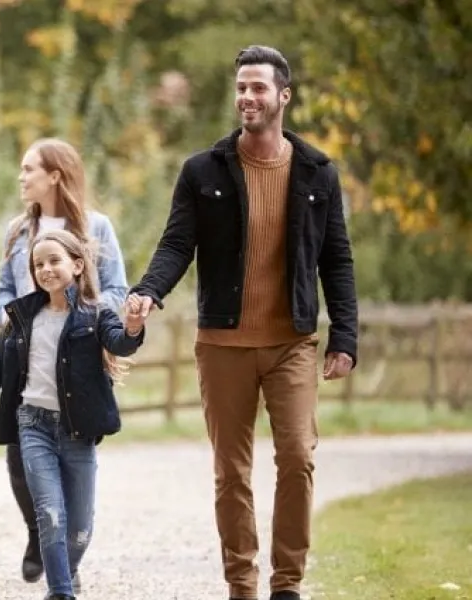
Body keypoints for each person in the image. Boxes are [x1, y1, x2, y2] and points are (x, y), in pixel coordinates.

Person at [127, 45, 358, 600]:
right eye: (241, 88)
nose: (248, 97)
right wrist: (148, 291)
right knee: (231, 472)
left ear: (283, 95)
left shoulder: (317, 172)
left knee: (298, 457)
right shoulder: (202, 171)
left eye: (258, 87)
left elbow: (337, 257)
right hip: (223, 344)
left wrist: (345, 335)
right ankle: (241, 584)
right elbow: (177, 243)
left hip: (292, 342)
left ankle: (287, 584)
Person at [0, 229, 145, 600]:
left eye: (54, 261)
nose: (45, 269)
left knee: (79, 530)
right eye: (38, 264)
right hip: (34, 427)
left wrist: (135, 326)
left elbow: (121, 342)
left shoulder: (96, 315)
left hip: (78, 434)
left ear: (77, 266)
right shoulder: (20, 321)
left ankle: (66, 570)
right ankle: (61, 592)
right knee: (49, 513)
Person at [0, 137, 129, 586]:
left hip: (77, 357)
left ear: (55, 175)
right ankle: (39, 532)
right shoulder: (16, 231)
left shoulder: (97, 227)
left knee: (73, 457)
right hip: (25, 355)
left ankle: (65, 560)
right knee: (18, 455)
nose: (21, 176)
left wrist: (77, 314)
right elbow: (4, 295)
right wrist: (14, 319)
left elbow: (117, 290)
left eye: (29, 169)